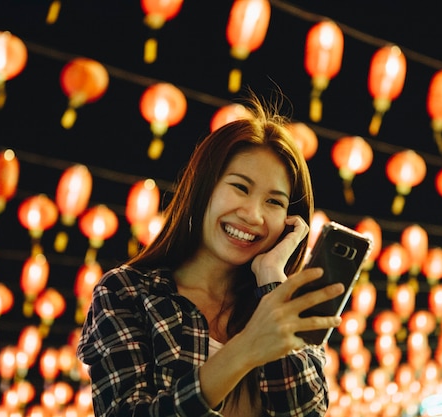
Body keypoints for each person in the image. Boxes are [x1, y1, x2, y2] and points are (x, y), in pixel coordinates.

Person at [76, 91, 345, 416]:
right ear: (203, 189)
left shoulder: (284, 307)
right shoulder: (129, 292)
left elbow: (305, 413)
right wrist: (245, 349)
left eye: (274, 202)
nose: (253, 215)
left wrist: (272, 279)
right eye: (240, 187)